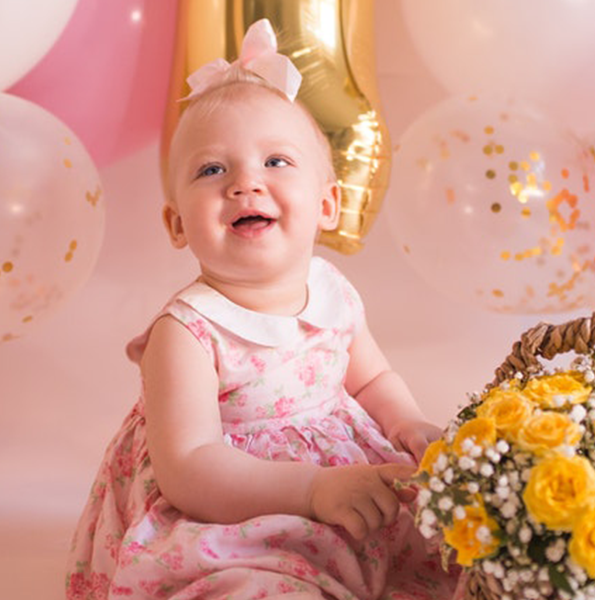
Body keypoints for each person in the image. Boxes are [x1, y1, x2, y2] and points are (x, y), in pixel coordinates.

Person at [66, 19, 460, 600]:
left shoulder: (333, 291)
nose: (245, 183)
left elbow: (372, 375)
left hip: (340, 479)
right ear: (177, 224)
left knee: (444, 550)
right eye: (211, 170)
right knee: (253, 584)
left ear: (327, 204)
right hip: (232, 504)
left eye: (276, 161)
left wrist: (405, 423)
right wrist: (310, 491)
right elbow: (189, 468)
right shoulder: (187, 333)